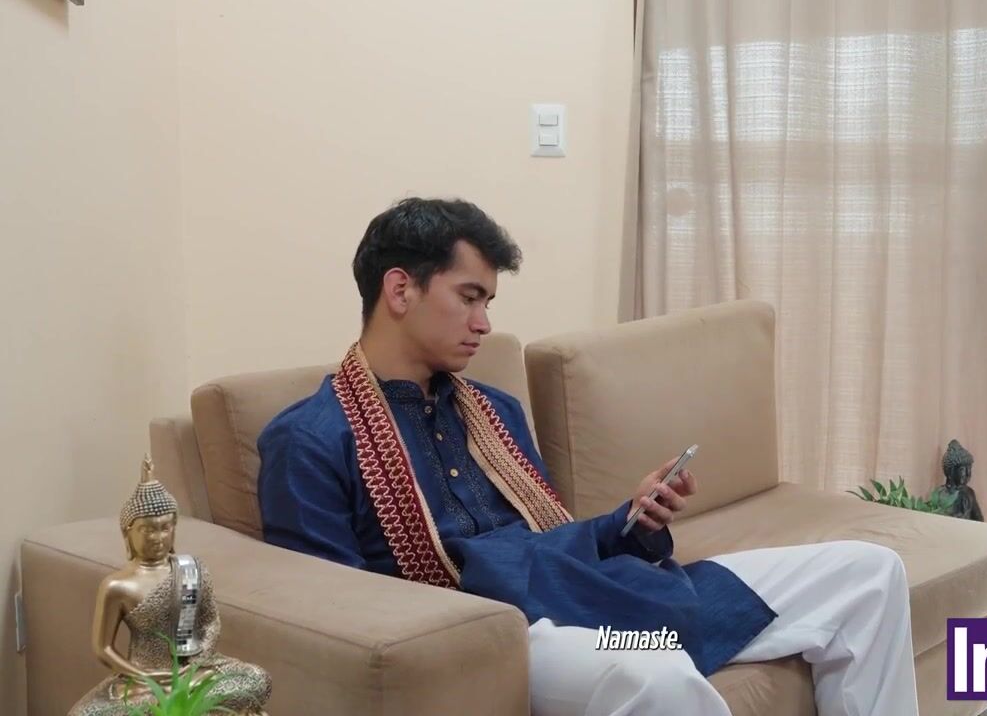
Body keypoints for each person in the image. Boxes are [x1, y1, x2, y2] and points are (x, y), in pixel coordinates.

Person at [256, 197, 919, 715]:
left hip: (586, 592)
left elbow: (549, 540)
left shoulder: (492, 409)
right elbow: (333, 623)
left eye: (488, 302)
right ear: (400, 290)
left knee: (868, 572)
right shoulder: (311, 439)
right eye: (469, 297)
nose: (484, 323)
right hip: (508, 636)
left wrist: (631, 520)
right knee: (655, 673)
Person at [70, 459, 271, 715]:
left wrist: (196, 662)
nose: (158, 537)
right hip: (142, 680)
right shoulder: (117, 586)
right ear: (127, 532)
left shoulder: (191, 570)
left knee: (255, 678)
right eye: (148, 530)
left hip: (192, 672)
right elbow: (104, 648)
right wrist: (143, 676)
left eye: (165, 528)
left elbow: (210, 622)